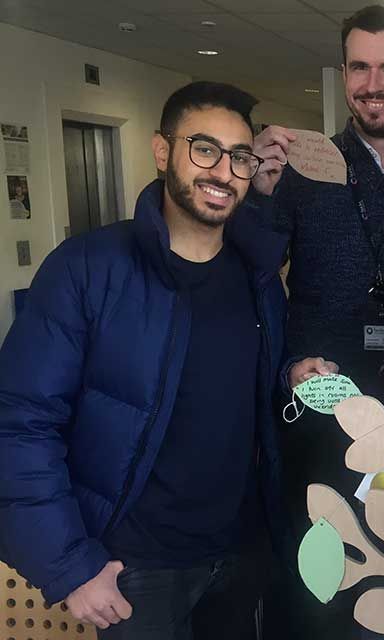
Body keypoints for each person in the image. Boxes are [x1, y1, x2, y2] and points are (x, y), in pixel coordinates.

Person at [0, 81, 289, 639]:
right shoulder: (86, 269)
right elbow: (19, 423)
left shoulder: (259, 278)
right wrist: (68, 564)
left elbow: (239, 395)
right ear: (162, 151)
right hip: (136, 568)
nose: (223, 171)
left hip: (238, 553)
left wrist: (291, 373)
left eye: (239, 157)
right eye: (204, 149)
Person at [250, 5, 384, 638]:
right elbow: (254, 286)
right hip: (319, 411)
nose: (375, 84)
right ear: (344, 76)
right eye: (361, 68)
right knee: (319, 593)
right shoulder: (301, 172)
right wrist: (257, 198)